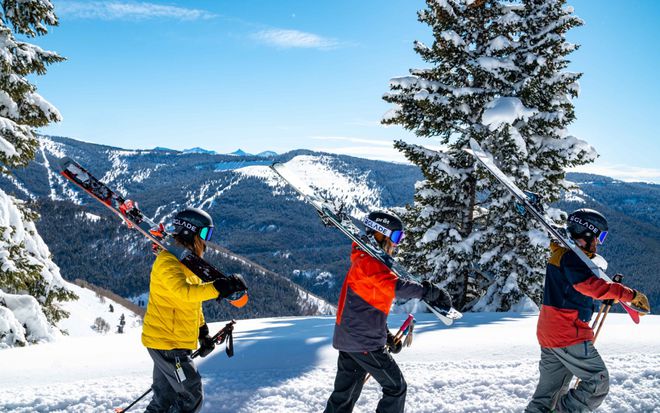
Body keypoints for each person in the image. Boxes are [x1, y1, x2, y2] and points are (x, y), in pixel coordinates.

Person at [324, 210, 452, 413]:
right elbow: (397, 287)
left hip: (351, 340)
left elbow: (367, 308)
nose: (396, 244)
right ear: (380, 234)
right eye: (395, 237)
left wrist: (386, 336)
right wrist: (429, 292)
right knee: (396, 388)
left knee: (344, 397)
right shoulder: (369, 264)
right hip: (363, 342)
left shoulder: (366, 261)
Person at [525, 208, 650, 413]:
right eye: (600, 235)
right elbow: (589, 285)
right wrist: (629, 294)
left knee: (548, 394)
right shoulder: (571, 258)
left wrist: (610, 295)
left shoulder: (563, 254)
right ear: (587, 233)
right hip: (567, 333)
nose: (600, 242)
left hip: (550, 332)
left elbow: (573, 290)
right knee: (598, 382)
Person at [141, 207, 246, 413]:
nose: (206, 240)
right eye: (205, 233)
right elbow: (185, 293)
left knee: (164, 400)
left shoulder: (187, 264)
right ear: (191, 231)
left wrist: (202, 332)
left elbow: (192, 303)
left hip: (170, 342)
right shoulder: (167, 261)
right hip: (168, 345)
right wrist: (217, 288)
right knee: (191, 393)